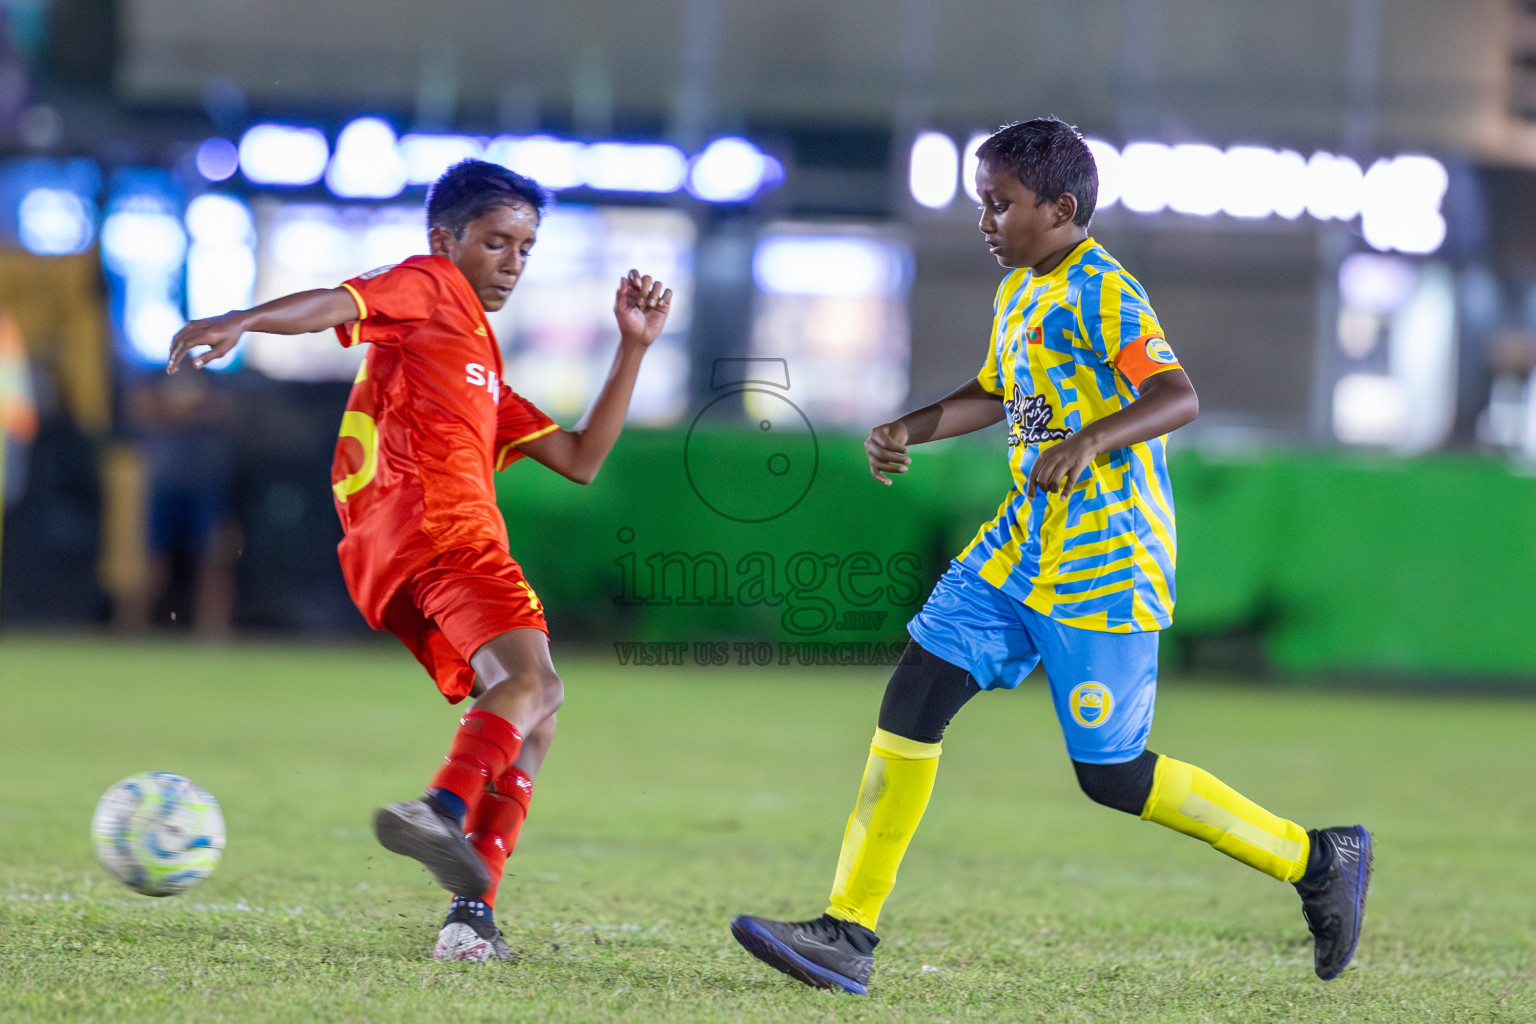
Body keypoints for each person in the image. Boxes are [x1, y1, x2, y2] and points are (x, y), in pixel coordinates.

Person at [729, 118, 1371, 994]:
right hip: (1017, 548)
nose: (985, 222)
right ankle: (848, 931)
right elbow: (997, 392)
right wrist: (909, 426)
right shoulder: (1021, 291)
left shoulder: (1102, 288)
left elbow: (1178, 395)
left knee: (1112, 776)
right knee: (914, 694)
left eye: (1000, 205)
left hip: (1106, 563)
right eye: (981, 205)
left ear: (1059, 208)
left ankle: (1315, 859)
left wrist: (1093, 441)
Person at [168, 159, 673, 962]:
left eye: (525, 248)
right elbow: (343, 301)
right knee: (536, 685)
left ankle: (470, 919)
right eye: (496, 242)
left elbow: (580, 458)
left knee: (533, 718)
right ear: (446, 239)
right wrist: (242, 319)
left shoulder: (474, 355)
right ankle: (440, 805)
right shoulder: (432, 285)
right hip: (445, 535)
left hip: (395, 559)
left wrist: (633, 348)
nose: (511, 260)